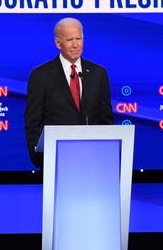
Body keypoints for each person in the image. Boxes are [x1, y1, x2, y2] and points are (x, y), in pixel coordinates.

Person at [24, 17, 114, 168]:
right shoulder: (41, 75)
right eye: (69, 40)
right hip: (56, 161)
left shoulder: (98, 73)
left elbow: (106, 119)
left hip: (94, 160)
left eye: (78, 39)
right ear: (58, 43)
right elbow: (32, 123)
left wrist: (108, 153)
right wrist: (40, 159)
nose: (75, 45)